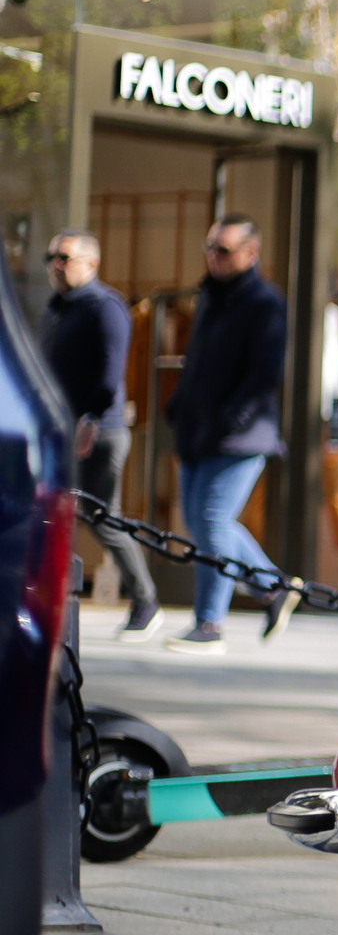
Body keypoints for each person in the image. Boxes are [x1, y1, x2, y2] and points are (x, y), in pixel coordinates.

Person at [163, 215, 294, 655]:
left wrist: (229, 419)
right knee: (202, 523)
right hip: (199, 434)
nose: (214, 258)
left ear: (250, 254)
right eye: (210, 248)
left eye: (224, 250)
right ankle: (273, 587)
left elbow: (264, 376)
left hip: (241, 437)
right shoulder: (211, 297)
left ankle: (210, 624)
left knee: (215, 521)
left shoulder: (264, 303)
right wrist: (180, 406)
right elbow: (196, 361)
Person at [38, 230, 161, 641]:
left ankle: (146, 600)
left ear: (91, 264)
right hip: (59, 433)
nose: (56, 264)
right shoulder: (57, 309)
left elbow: (111, 371)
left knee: (102, 517)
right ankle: (46, 598)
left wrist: (90, 419)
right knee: (52, 512)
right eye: (51, 256)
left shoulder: (103, 306)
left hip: (98, 432)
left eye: (65, 257)